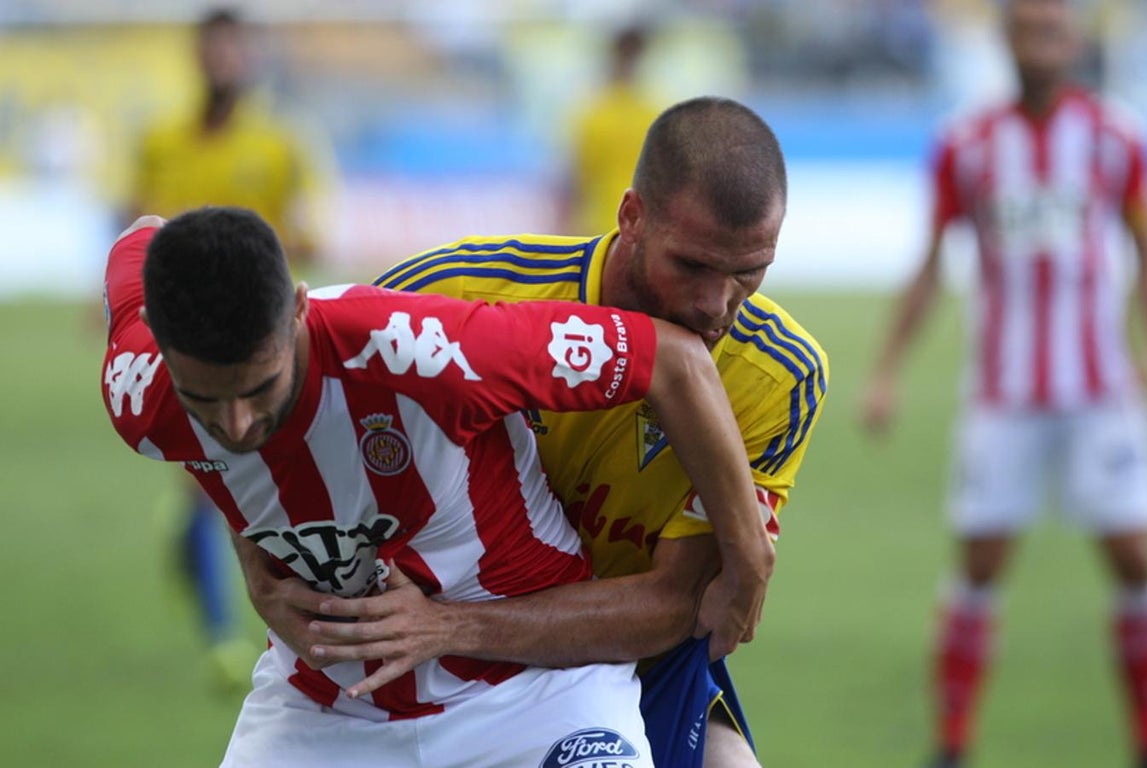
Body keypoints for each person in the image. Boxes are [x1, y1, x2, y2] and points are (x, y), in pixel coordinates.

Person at [236, 96, 828, 768]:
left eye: (748, 272)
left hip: (612, 649)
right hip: (412, 654)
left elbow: (676, 605)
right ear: (631, 216)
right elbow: (280, 398)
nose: (714, 306)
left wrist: (451, 628)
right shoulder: (455, 293)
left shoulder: (780, 374)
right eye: (690, 265)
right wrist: (258, 574)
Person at [100, 205, 772, 767]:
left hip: (533, 692)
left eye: (258, 389)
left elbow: (676, 363)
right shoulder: (139, 392)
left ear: (298, 310)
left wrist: (747, 558)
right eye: (203, 402)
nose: (235, 423)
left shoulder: (422, 350)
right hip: (328, 705)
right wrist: (255, 560)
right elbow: (146, 232)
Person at [858, 2, 1147, 766]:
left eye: (1053, 30)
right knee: (981, 563)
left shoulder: (1116, 137)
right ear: (1007, 41)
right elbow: (931, 263)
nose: (1040, 45)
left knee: (1135, 558)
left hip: (1100, 391)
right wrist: (887, 369)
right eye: (1026, 31)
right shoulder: (970, 143)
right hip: (1004, 396)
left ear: (1076, 39)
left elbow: (1145, 250)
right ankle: (951, 745)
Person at [126, 6, 330, 688]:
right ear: (196, 56)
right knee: (209, 487)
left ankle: (205, 572)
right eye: (211, 50)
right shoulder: (161, 140)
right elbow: (132, 218)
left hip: (255, 347)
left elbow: (309, 235)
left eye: (232, 50)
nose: (221, 62)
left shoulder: (278, 144)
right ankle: (221, 639)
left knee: (218, 486)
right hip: (178, 343)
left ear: (248, 58)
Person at [563, 24, 663, 235]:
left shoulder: (594, 113)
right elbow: (578, 179)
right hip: (629, 226)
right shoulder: (654, 112)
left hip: (613, 227)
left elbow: (576, 180)